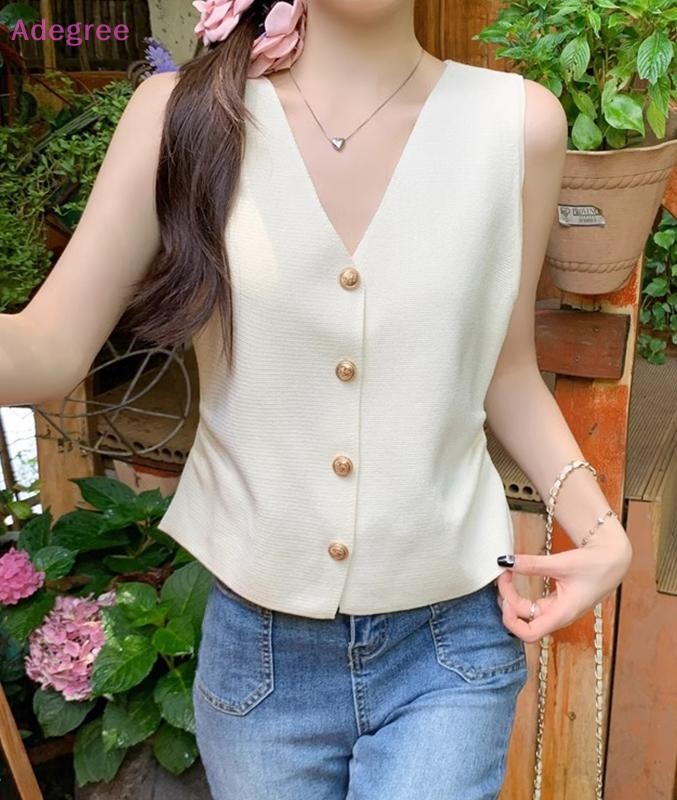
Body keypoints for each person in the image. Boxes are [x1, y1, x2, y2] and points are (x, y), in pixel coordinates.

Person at [0, 0, 632, 797]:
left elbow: (505, 372)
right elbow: (47, 349)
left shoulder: (518, 126)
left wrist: (599, 530)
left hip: (448, 648)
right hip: (260, 663)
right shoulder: (182, 117)